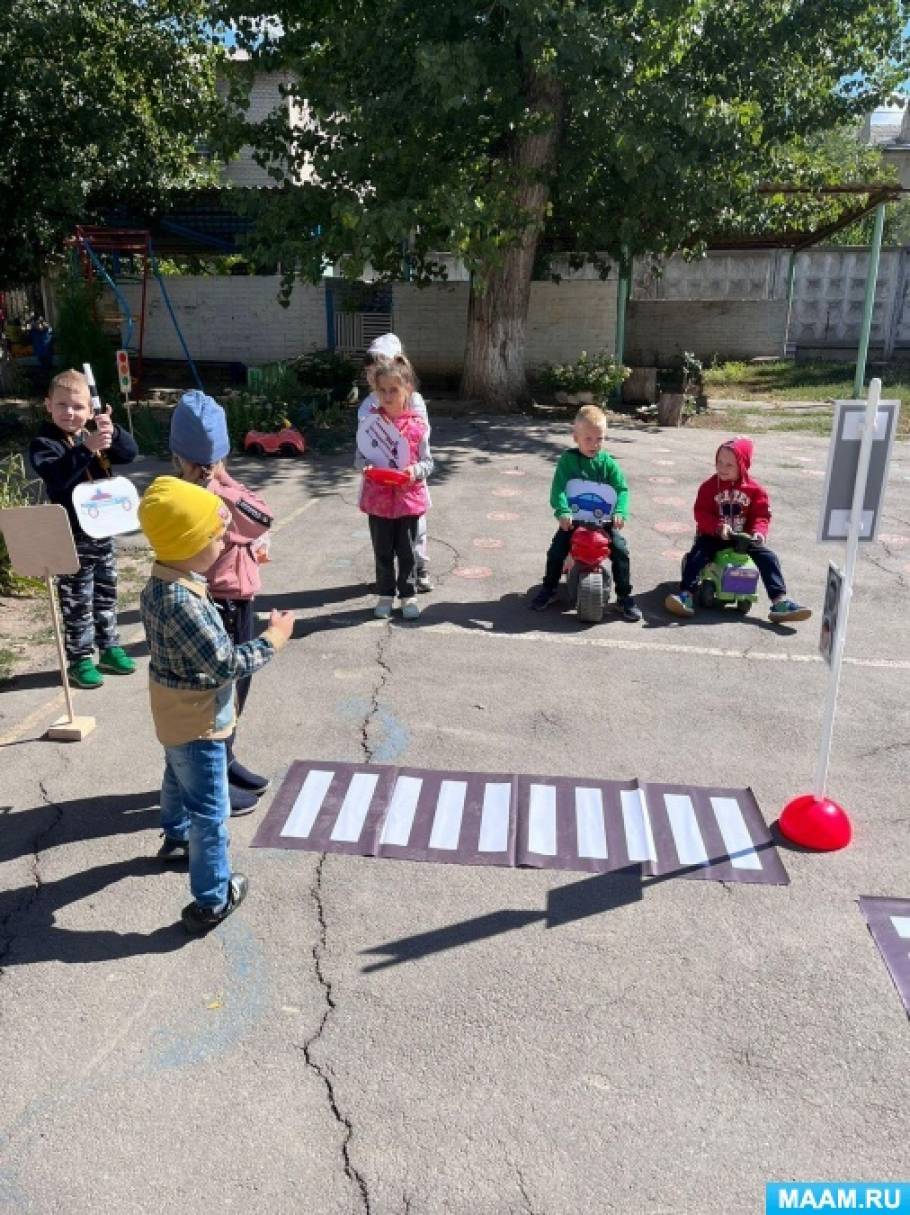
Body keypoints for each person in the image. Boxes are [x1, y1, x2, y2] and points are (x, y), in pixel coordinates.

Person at [137, 476, 293, 934]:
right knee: (210, 811)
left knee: (175, 772)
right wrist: (273, 639)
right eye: (216, 535)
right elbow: (225, 664)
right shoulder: (181, 601)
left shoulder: (165, 581)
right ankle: (212, 898)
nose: (225, 542)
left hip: (172, 711)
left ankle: (175, 837)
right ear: (188, 544)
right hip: (199, 718)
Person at [169, 389, 275, 817]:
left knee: (236, 693)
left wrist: (224, 480)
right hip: (215, 604)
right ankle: (212, 781)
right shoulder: (188, 497)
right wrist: (218, 486)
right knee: (217, 698)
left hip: (239, 599)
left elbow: (258, 520)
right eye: (203, 464)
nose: (208, 471)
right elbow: (261, 516)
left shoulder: (223, 487)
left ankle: (226, 760)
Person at [28, 368, 139, 688]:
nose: (69, 412)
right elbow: (57, 476)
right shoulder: (44, 443)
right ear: (48, 405)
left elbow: (129, 454)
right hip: (70, 535)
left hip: (102, 532)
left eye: (78, 407)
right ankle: (79, 659)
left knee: (106, 594)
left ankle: (109, 647)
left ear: (90, 410)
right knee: (77, 600)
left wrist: (113, 432)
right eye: (62, 405)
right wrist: (86, 449)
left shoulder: (94, 433)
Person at [664, 436, 812, 623]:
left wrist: (758, 532)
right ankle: (686, 595)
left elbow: (761, 515)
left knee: (769, 558)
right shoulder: (709, 487)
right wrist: (717, 526)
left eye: (729, 465)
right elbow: (701, 512)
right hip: (714, 536)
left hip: (743, 538)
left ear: (742, 465)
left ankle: (779, 601)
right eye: (719, 462)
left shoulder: (755, 490)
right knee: (698, 555)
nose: (722, 468)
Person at [529, 404, 641, 622]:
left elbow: (621, 489)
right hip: (574, 521)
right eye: (588, 439)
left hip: (603, 522)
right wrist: (562, 510)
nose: (594, 444)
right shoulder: (568, 460)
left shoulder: (608, 463)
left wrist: (620, 511)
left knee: (620, 550)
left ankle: (624, 596)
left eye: (599, 439)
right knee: (556, 551)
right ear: (576, 438)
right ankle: (549, 589)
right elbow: (559, 488)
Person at [356, 356, 433, 620]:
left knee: (408, 552)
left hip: (408, 501)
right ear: (375, 392)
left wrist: (414, 471)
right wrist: (366, 467)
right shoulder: (370, 425)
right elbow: (359, 458)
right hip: (378, 501)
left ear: (407, 389)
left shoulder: (417, 427)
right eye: (382, 390)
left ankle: (408, 595)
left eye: (393, 390)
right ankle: (386, 595)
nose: (388, 396)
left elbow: (428, 463)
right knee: (382, 552)